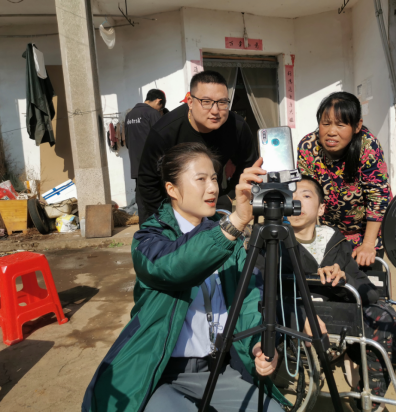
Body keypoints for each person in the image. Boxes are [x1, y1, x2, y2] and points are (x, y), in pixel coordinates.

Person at [82, 143, 290, 412]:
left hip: (219, 369)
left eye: (214, 178)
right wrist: (235, 222)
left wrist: (257, 344)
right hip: (161, 373)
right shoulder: (149, 239)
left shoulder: (229, 237)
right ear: (172, 189)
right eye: (201, 179)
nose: (212, 188)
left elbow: (248, 296)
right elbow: (175, 266)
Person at [281, 176, 396, 409]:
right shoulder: (273, 242)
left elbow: (369, 292)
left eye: (306, 195)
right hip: (294, 317)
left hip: (339, 315)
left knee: (389, 323)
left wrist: (343, 280)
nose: (296, 201)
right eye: (290, 196)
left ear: (321, 208)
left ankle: (368, 394)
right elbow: (260, 294)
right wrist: (299, 315)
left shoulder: (336, 242)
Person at [136, 70, 258, 224]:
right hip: (165, 205)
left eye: (222, 102)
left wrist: (229, 195)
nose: (215, 111)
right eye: (206, 102)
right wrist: (167, 219)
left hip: (209, 203)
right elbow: (147, 181)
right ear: (190, 102)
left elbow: (249, 165)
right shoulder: (165, 131)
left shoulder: (237, 127)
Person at [297, 92, 393, 269]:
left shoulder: (368, 147)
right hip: (328, 229)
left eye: (340, 125)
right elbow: (307, 192)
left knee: (366, 277)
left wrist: (368, 244)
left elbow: (378, 197)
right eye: (326, 124)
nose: (331, 132)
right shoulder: (308, 146)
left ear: (357, 126)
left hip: (367, 229)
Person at [125, 89, 166, 214]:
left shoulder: (129, 115)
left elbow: (127, 142)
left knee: (142, 202)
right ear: (158, 100)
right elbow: (162, 139)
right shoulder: (152, 113)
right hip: (153, 167)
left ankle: (144, 225)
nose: (159, 110)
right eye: (160, 108)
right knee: (158, 203)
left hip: (137, 168)